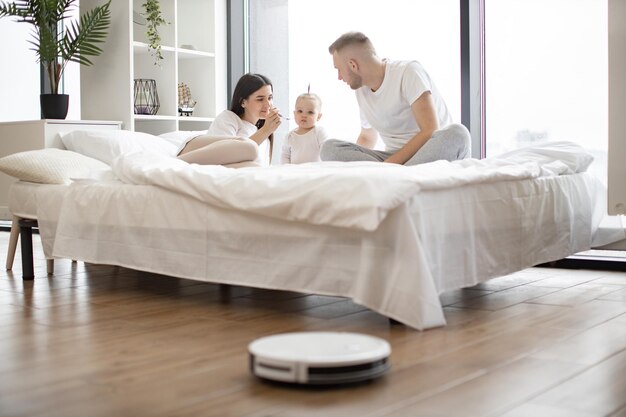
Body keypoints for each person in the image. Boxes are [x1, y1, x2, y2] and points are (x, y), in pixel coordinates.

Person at [320, 32, 471, 166]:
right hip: (394, 159)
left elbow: (430, 130)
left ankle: (391, 175)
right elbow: (367, 136)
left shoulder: (408, 72)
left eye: (338, 69)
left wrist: (388, 166)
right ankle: (397, 175)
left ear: (353, 65)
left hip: (430, 150)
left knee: (459, 133)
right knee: (330, 148)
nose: (339, 77)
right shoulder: (361, 90)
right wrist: (357, 165)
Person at [177, 73, 282, 166]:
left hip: (223, 168)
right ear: (243, 102)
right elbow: (222, 155)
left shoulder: (265, 137)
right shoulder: (229, 118)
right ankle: (174, 163)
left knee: (254, 168)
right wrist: (266, 130)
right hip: (194, 150)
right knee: (250, 149)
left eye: (270, 98)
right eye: (260, 99)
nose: (268, 104)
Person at [280, 93, 329, 164]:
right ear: (294, 114)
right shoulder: (289, 136)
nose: (304, 115)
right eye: (300, 111)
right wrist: (286, 170)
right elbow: (285, 156)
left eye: (310, 112)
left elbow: (326, 152)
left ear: (318, 116)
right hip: (294, 172)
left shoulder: (319, 132)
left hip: (315, 172)